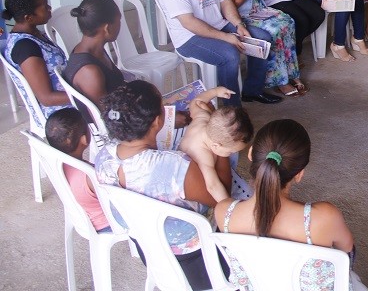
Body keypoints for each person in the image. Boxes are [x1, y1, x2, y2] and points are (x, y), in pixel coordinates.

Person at [95, 80, 230, 290]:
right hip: (200, 263)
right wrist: (217, 139)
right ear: (158, 121)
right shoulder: (176, 167)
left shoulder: (103, 156)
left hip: (150, 252)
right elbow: (221, 199)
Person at [214, 119, 367, 291]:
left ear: (250, 154)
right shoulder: (324, 217)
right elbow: (346, 251)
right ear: (299, 174)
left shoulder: (224, 212)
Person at [3, 0, 71, 118]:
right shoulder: (26, 48)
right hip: (61, 115)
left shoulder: (33, 33)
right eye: (45, 7)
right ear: (29, 17)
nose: (50, 7)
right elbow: (46, 98)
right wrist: (89, 94)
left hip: (70, 96)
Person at [178, 87, 253, 202]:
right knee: (246, 193)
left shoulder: (204, 117)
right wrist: (228, 207)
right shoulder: (203, 155)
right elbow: (212, 185)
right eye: (231, 151)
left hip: (193, 143)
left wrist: (215, 92)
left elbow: (196, 102)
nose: (233, 153)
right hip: (196, 176)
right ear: (216, 146)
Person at [45, 108, 110, 232]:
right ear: (84, 139)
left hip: (85, 219)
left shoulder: (57, 165)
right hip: (106, 223)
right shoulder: (90, 175)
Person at [63, 0, 126, 106]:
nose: (120, 25)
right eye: (119, 21)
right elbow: (107, 117)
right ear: (107, 28)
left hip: (121, 106)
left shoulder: (93, 49)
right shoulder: (89, 71)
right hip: (115, 119)